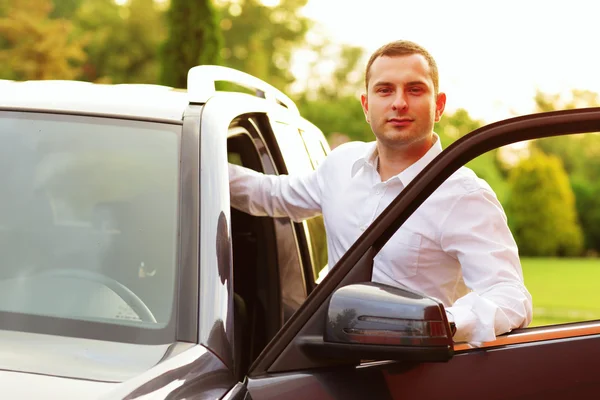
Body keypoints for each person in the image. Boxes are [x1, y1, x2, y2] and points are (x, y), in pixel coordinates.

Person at [228, 40, 532, 344]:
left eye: (415, 89)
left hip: (413, 375)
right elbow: (271, 194)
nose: (399, 102)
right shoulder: (341, 164)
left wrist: (440, 325)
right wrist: (194, 163)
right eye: (385, 90)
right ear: (366, 105)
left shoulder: (465, 194)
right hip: (327, 367)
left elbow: (510, 295)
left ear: (438, 106)